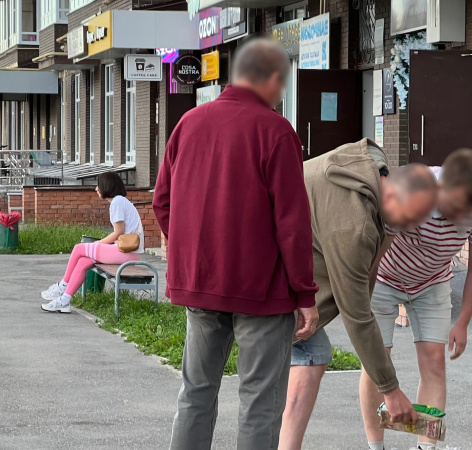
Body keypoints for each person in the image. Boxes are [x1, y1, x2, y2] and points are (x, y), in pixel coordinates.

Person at [154, 37, 318, 450]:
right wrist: (305, 293)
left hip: (201, 282)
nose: (281, 95)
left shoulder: (188, 123)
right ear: (271, 79)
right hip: (262, 292)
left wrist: (194, 247)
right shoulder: (276, 132)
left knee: (195, 392)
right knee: (259, 402)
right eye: (282, 85)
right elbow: (292, 224)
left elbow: (162, 202)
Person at [279, 139, 438, 450]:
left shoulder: (372, 162)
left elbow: (368, 267)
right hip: (263, 273)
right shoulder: (353, 228)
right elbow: (357, 316)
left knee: (313, 352)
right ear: (391, 191)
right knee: (294, 357)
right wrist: (390, 390)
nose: (404, 229)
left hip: (287, 256)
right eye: (405, 219)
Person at [359, 149, 472, 450]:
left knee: (435, 363)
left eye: (467, 210)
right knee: (378, 362)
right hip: (385, 278)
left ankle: (426, 447)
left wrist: (462, 322)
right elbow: (377, 249)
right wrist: (362, 296)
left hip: (432, 282)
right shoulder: (413, 191)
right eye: (454, 206)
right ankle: (376, 447)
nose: (459, 218)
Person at [40, 172, 144, 313]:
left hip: (126, 253)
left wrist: (98, 244)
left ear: (107, 186)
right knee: (83, 261)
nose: (96, 189)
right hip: (126, 252)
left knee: (78, 248)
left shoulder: (117, 202)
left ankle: (63, 285)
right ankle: (64, 301)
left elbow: (118, 232)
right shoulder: (120, 201)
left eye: (99, 185)